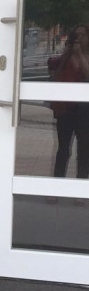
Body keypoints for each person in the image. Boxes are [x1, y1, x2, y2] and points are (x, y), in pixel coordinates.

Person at [48, 24, 89, 178]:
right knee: (63, 149)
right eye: (76, 35)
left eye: (82, 35)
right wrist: (68, 53)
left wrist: (80, 55)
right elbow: (54, 68)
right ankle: (57, 182)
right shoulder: (67, 56)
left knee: (84, 150)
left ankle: (81, 184)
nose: (79, 38)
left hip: (84, 111)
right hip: (65, 109)